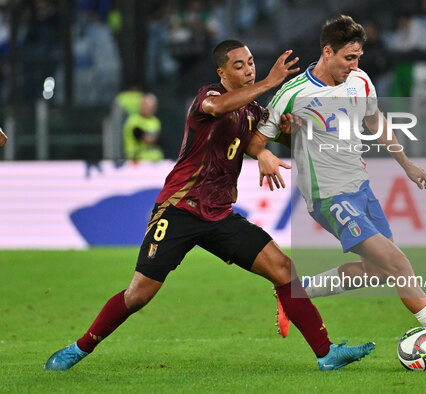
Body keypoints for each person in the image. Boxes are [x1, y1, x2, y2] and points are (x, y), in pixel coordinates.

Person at [44, 39, 375, 372]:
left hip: (219, 215)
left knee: (283, 269)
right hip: (179, 210)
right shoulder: (209, 96)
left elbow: (259, 142)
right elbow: (218, 111)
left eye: (250, 63)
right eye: (239, 65)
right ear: (222, 73)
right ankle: (79, 348)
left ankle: (326, 353)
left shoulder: (253, 112)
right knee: (139, 295)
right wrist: (270, 83)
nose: (249, 69)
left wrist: (283, 137)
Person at [249, 15, 426, 369]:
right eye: (348, 57)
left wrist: (406, 163)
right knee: (398, 263)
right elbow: (257, 140)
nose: (355, 65)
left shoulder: (360, 82)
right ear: (327, 51)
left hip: (360, 188)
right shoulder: (294, 93)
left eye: (358, 57)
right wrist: (267, 154)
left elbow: (375, 120)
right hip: (329, 196)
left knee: (378, 270)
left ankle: (294, 293)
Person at [123, 93, 164, 161]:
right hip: (137, 160)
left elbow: (160, 139)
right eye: (146, 105)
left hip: (156, 161)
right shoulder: (133, 120)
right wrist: (153, 138)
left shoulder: (156, 121)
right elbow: (143, 137)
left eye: (151, 107)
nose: (148, 108)